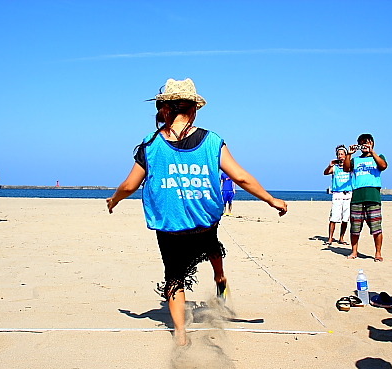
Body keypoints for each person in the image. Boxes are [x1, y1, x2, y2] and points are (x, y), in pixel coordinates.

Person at [106, 78, 287, 346]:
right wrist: (272, 200)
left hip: (170, 225)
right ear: (194, 109)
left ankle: (180, 333)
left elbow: (130, 185)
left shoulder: (151, 143)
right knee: (212, 246)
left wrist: (114, 200)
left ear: (164, 108)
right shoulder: (212, 141)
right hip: (204, 220)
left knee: (174, 276)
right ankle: (220, 276)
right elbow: (241, 177)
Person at [343, 134, 387, 261]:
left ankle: (378, 253)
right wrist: (349, 154)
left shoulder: (378, 157)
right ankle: (354, 251)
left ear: (372, 143)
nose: (364, 146)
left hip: (373, 196)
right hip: (357, 196)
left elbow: (383, 166)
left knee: (376, 227)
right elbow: (346, 168)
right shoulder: (355, 160)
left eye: (366, 143)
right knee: (355, 228)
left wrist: (372, 151)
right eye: (361, 143)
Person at [323, 144, 352, 245]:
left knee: (345, 218)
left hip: (348, 194)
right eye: (339, 154)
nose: (340, 156)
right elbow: (325, 172)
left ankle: (341, 238)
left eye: (342, 154)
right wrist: (330, 165)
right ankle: (330, 238)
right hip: (337, 194)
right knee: (334, 217)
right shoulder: (335, 168)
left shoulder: (350, 167)